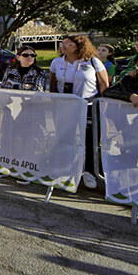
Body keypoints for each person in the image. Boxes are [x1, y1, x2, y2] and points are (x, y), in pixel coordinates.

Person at [48, 34, 109, 189]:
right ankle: (65, 169)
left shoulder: (93, 62)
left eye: (68, 44)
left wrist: (104, 107)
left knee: (89, 140)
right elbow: (53, 85)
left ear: (79, 46)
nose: (63, 46)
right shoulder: (57, 62)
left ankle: (89, 171)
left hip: (88, 107)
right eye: (62, 44)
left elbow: (104, 84)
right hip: (65, 107)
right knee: (64, 138)